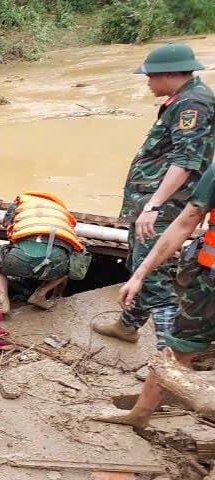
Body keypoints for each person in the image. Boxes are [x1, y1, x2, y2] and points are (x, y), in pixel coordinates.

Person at [91, 43, 214, 347]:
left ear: (169, 74)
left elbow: (185, 162)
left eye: (150, 76)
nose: (147, 82)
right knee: (138, 264)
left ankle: (168, 362)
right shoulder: (182, 100)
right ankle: (127, 326)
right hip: (152, 202)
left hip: (165, 207)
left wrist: (154, 205)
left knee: (156, 280)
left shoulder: (192, 106)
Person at [97, 163, 215, 430]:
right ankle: (141, 413)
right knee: (177, 349)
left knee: (177, 351)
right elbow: (186, 220)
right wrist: (140, 274)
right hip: (209, 286)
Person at [0, 192, 83, 315]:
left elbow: (6, 223)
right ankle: (42, 294)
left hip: (18, 259)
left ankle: (3, 302)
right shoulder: (63, 213)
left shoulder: (21, 202)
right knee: (72, 264)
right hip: (55, 264)